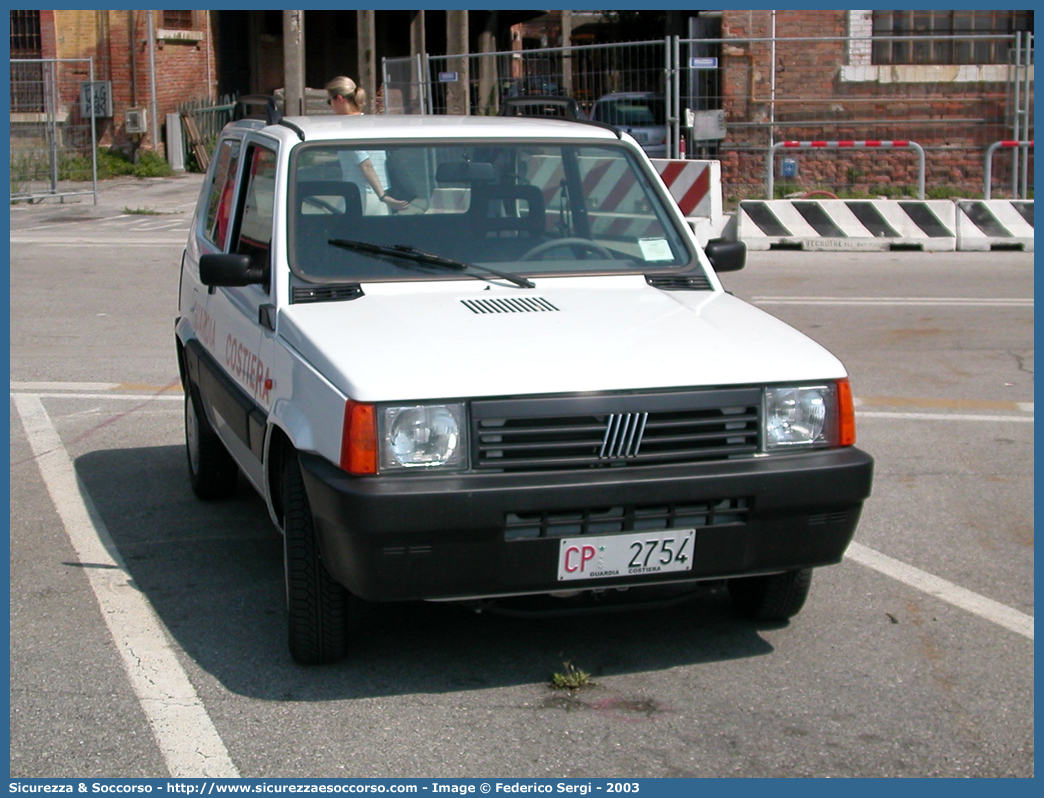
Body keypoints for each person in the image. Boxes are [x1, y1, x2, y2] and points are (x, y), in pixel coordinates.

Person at [325, 76, 409, 214]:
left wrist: (383, 196)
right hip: (378, 192)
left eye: (330, 101)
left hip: (361, 194)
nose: (331, 106)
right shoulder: (369, 123)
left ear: (339, 99)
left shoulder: (349, 128)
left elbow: (365, 164)